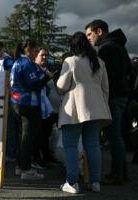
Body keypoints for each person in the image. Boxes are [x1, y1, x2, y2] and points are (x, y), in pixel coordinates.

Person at [57, 32, 111, 193]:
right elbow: (105, 88)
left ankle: (72, 183)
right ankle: (95, 182)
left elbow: (61, 86)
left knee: (71, 146)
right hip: (96, 110)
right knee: (93, 146)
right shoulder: (99, 62)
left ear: (72, 47)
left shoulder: (70, 61)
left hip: (74, 110)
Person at [85, 19, 132, 185]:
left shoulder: (106, 48)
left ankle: (117, 174)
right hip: (122, 96)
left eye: (90, 34)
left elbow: (105, 78)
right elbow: (129, 71)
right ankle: (122, 173)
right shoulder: (119, 46)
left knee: (114, 137)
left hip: (112, 97)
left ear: (99, 32)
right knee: (117, 136)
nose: (88, 38)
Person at [10, 40, 53, 180]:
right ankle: (26, 169)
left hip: (17, 103)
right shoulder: (26, 63)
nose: (36, 55)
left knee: (22, 137)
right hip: (27, 103)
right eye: (35, 51)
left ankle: (19, 166)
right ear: (27, 50)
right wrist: (46, 77)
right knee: (27, 138)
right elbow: (35, 85)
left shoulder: (18, 62)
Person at [33, 48, 62, 169]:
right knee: (41, 135)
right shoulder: (34, 69)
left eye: (46, 55)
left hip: (53, 109)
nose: (44, 57)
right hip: (41, 108)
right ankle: (39, 158)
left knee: (48, 134)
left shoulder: (50, 69)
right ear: (36, 57)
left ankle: (47, 156)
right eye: (42, 55)